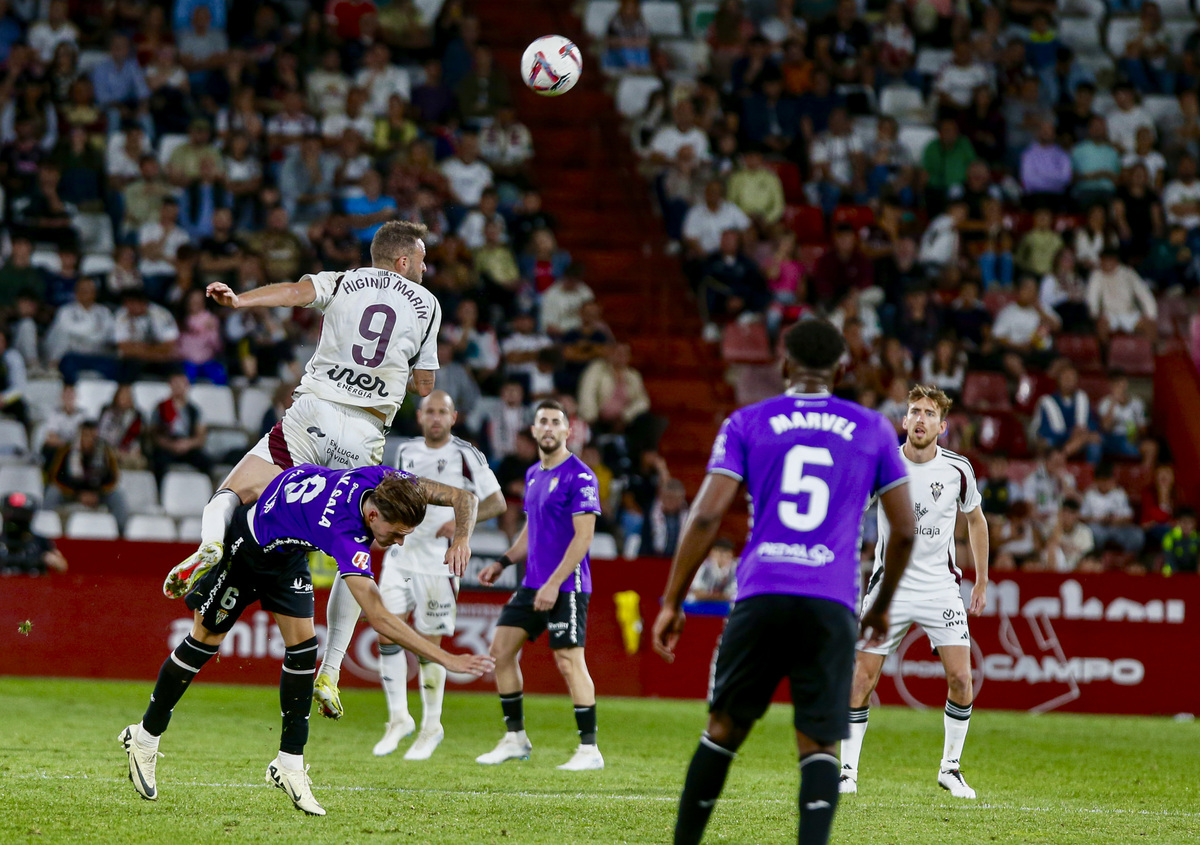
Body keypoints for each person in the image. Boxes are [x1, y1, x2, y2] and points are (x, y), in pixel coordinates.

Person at [651, 320, 916, 845]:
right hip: (832, 600)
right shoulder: (875, 428)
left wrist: (672, 601)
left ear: (784, 365)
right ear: (842, 370)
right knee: (819, 743)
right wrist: (882, 606)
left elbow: (704, 518)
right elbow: (905, 530)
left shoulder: (748, 421)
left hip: (761, 593)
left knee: (724, 729)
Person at [130, 465, 493, 814]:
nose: (398, 542)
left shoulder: (383, 478)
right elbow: (380, 617)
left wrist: (462, 538)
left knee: (304, 651)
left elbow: (464, 498)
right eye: (396, 533)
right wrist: (446, 659)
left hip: (287, 553)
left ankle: (289, 764)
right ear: (372, 517)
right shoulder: (344, 534)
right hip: (249, 549)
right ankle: (144, 738)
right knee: (204, 642)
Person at [176, 221, 442, 662]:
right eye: (421, 258)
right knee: (356, 545)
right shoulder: (429, 305)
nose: (425, 265)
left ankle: (211, 544)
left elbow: (295, 292)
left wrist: (241, 300)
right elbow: (426, 384)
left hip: (313, 414)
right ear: (403, 261)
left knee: (233, 491)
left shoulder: (344, 280)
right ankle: (333, 667)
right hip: (364, 433)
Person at [321, 391, 505, 756]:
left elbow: (496, 502)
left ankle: (431, 725)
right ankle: (398, 719)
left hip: (439, 562)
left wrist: (458, 527)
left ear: (454, 417)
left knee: (428, 643)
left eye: (443, 412)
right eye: (429, 411)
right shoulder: (405, 452)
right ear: (420, 416)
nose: (436, 418)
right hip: (400, 559)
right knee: (386, 631)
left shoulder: (467, 454)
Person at [839, 385, 989, 800]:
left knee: (961, 678)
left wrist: (981, 579)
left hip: (940, 587)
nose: (920, 419)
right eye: (914, 411)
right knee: (861, 678)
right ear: (904, 421)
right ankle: (846, 771)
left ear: (942, 426)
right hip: (889, 588)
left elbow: (976, 521)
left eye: (929, 413)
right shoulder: (884, 468)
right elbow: (850, 515)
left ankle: (950, 768)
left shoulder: (958, 469)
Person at [474, 399, 603, 771]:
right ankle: (515, 739)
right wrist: (503, 561)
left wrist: (553, 584)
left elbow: (583, 538)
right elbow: (532, 531)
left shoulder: (580, 476)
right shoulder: (533, 474)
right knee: (500, 651)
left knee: (568, 660)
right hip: (533, 583)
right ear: (533, 431)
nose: (548, 427)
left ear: (567, 431)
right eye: (542, 422)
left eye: (555, 422)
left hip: (567, 585)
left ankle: (589, 749)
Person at [45, 419, 129, 533]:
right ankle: (45, 527)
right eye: (85, 435)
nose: (88, 440)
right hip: (71, 493)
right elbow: (57, 476)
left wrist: (96, 493)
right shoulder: (67, 449)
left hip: (98, 494)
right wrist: (78, 494)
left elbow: (113, 478)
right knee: (52, 492)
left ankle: (121, 532)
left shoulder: (105, 451)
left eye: (92, 436)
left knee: (118, 495)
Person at [150, 371, 211, 481]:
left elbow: (201, 437)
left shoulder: (194, 410)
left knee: (206, 462)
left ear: (187, 386)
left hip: (188, 446)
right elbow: (154, 435)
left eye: (181, 384)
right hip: (167, 447)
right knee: (157, 462)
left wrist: (188, 444)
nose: (178, 387)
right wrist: (170, 445)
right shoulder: (161, 408)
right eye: (175, 383)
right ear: (170, 385)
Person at [0, 491, 67, 576]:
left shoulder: (40, 542)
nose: (16, 520)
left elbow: (62, 566)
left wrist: (48, 559)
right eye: (12, 513)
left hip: (34, 587)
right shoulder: (1, 541)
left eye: (21, 514)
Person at [685, 537, 737, 603]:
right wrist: (721, 597)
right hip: (699, 604)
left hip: (724, 605)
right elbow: (697, 593)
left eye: (727, 555)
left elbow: (733, 594)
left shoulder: (734, 567)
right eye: (720, 554)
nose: (723, 558)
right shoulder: (703, 567)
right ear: (712, 553)